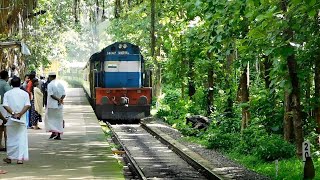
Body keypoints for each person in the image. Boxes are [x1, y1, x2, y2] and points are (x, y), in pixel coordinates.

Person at [3, 76, 31, 164]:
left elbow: (5, 105)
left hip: (11, 119)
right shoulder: (24, 94)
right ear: (20, 84)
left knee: (11, 138)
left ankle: (10, 157)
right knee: (21, 138)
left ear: (11, 84)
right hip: (21, 119)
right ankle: (20, 158)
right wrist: (20, 114)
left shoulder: (7, 94)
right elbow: (27, 105)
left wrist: (13, 113)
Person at [45, 72, 66, 140]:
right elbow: (64, 94)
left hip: (52, 105)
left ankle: (54, 132)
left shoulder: (50, 85)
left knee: (50, 119)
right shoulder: (60, 84)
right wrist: (60, 100)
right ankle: (57, 134)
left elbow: (51, 94)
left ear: (50, 77)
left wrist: (58, 100)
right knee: (59, 119)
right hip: (59, 106)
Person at [0, 70, 12, 151]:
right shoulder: (5, 84)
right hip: (3, 106)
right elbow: (10, 93)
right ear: (7, 76)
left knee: (0, 127)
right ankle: (7, 145)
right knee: (5, 126)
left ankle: (0, 144)